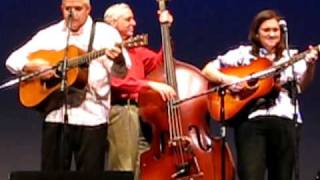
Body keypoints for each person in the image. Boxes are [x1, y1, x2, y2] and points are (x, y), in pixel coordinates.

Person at [5, 0, 130, 172]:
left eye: (78, 9)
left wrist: (119, 59)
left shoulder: (105, 34)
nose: (72, 14)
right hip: (56, 117)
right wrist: (34, 67)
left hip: (92, 117)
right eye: (67, 9)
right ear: (61, 9)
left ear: (88, 9)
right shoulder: (50, 34)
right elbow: (12, 60)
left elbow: (121, 72)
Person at [201, 9, 318, 180]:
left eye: (275, 30)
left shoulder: (291, 57)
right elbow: (207, 70)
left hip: (285, 120)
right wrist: (227, 80)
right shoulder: (243, 54)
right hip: (251, 122)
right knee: (250, 175)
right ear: (256, 34)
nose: (272, 34)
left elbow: (302, 86)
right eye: (266, 30)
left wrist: (310, 66)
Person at [103, 2, 176, 178]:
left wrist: (166, 29)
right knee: (124, 168)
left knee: (142, 168)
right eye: (128, 19)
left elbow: (161, 62)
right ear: (113, 23)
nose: (134, 23)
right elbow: (114, 82)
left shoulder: (136, 50)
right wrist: (148, 85)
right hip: (121, 110)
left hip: (142, 113)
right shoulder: (106, 49)